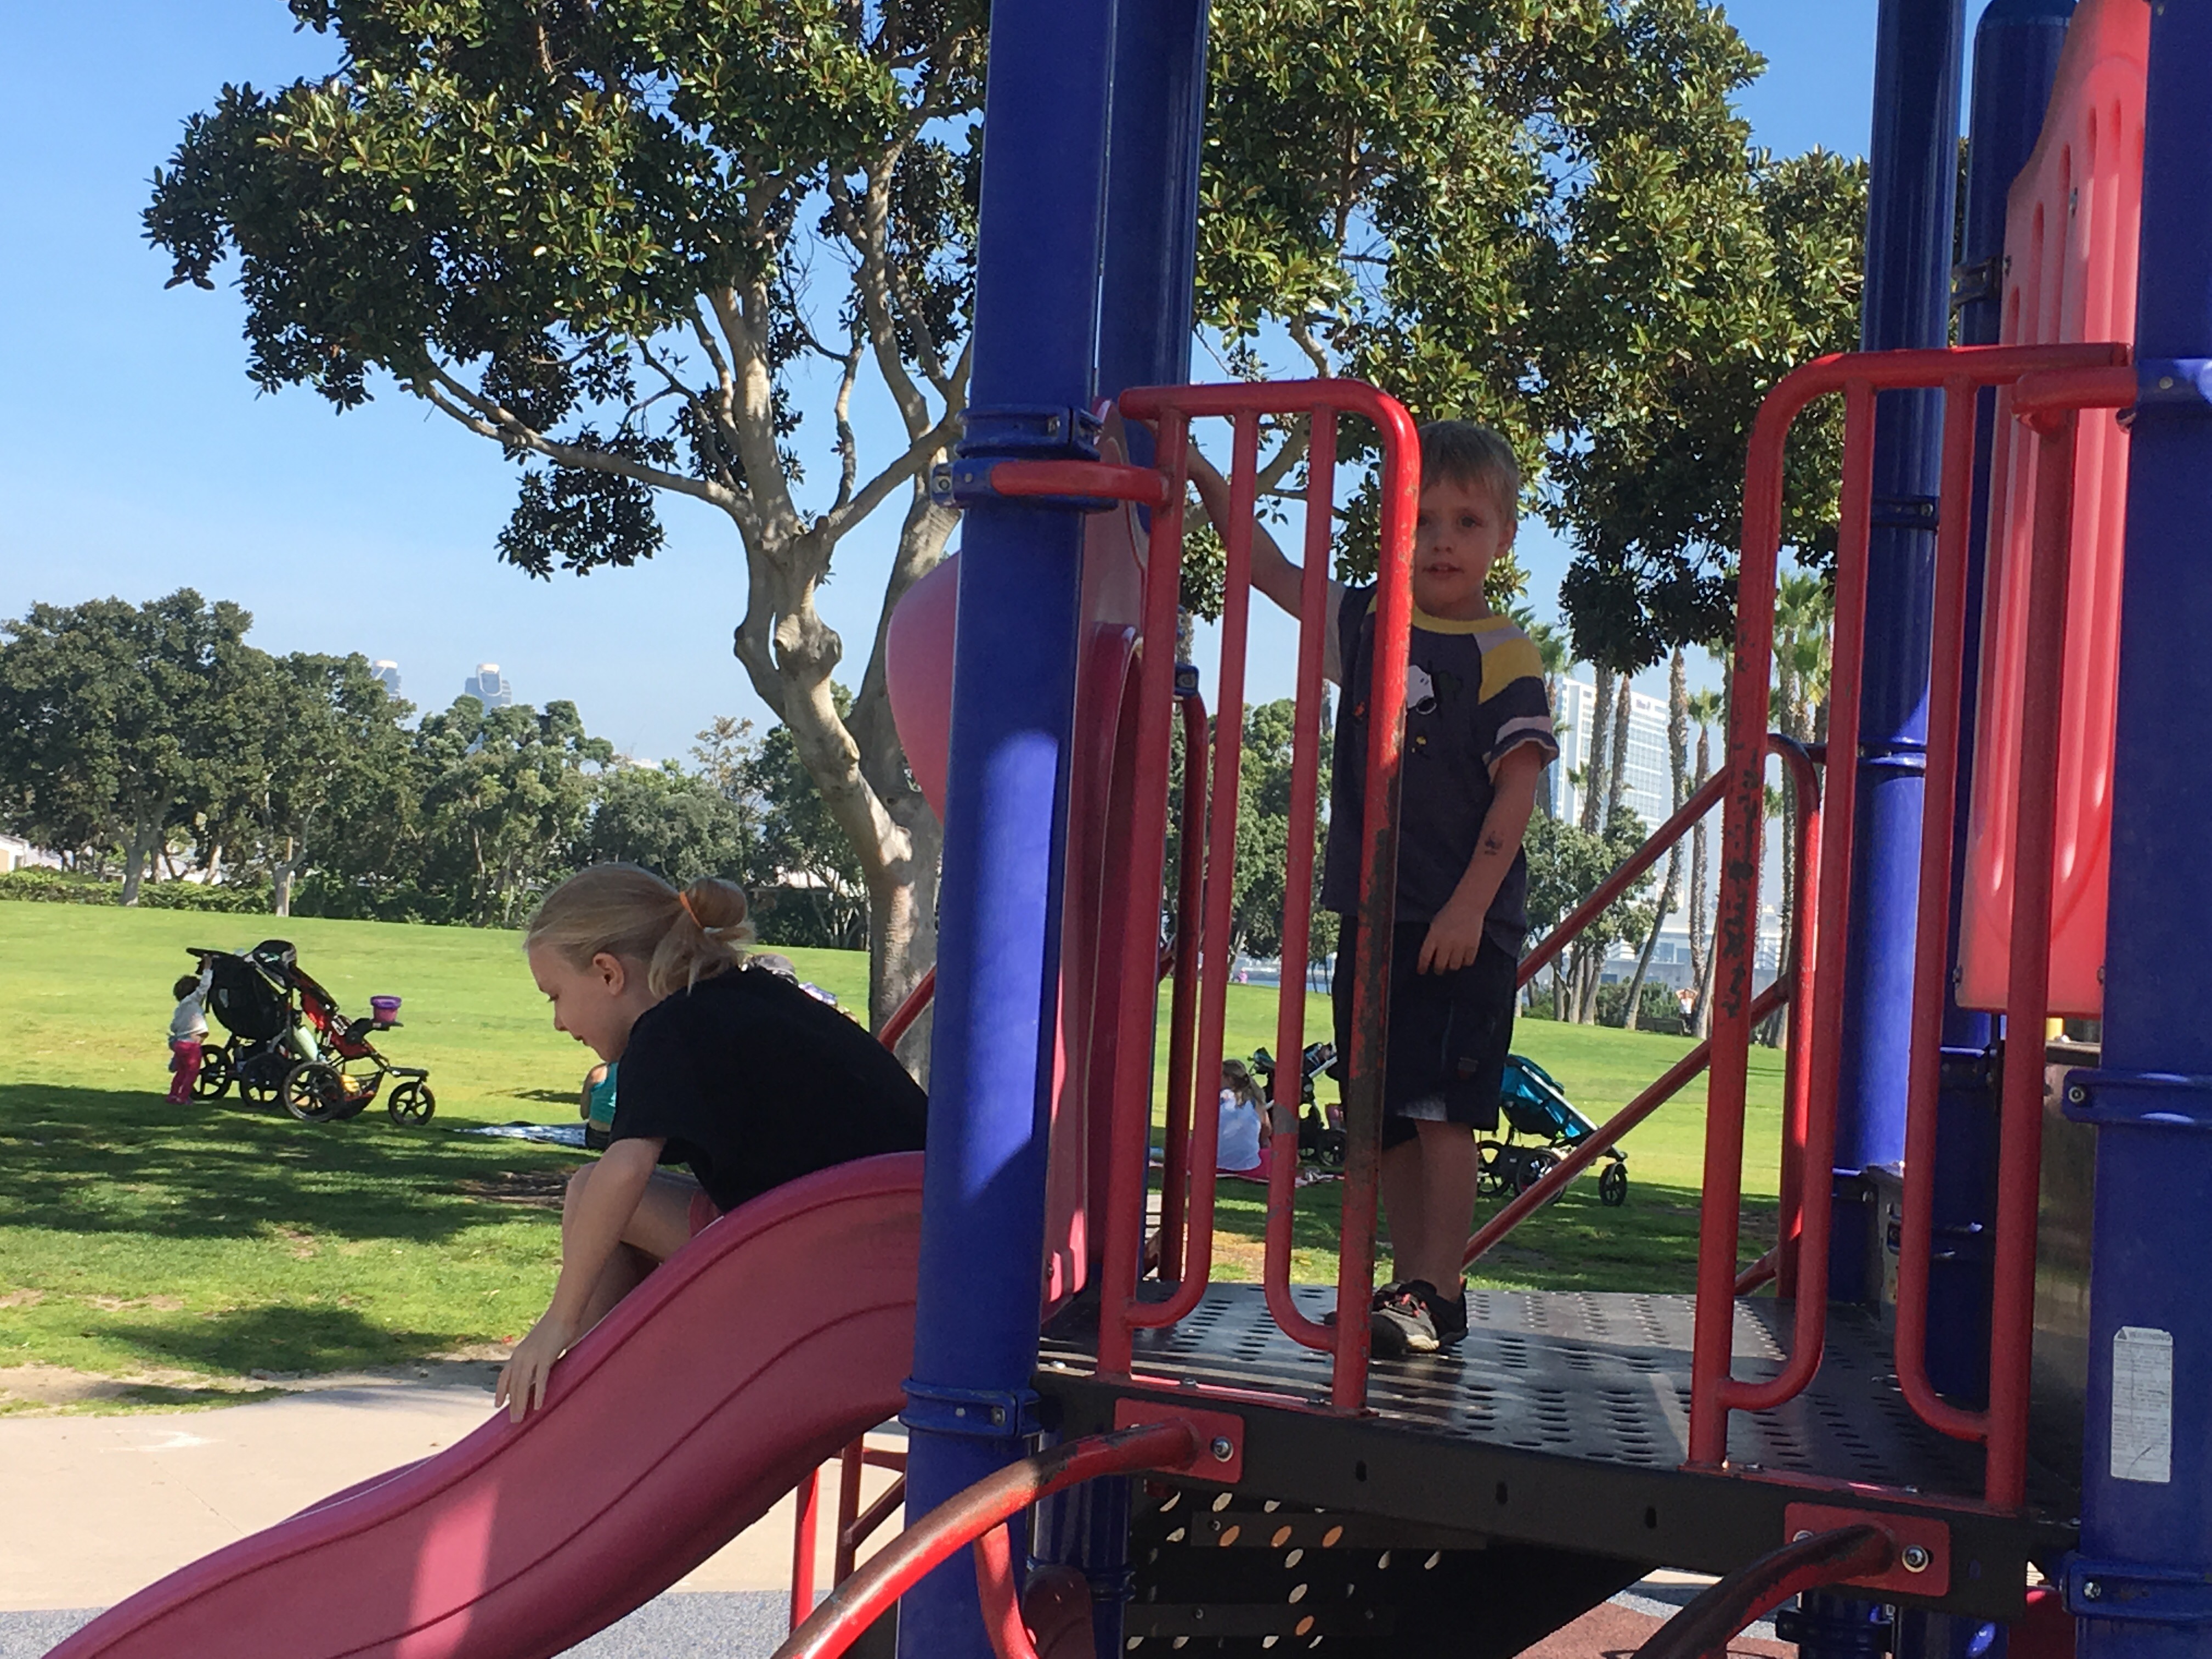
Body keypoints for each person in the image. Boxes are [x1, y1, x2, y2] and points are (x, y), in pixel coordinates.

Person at [1188, 421, 1557, 1356]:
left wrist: (1471, 904)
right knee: (1382, 1115)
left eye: (1466, 521)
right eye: (1421, 520)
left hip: (1462, 922)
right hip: (1374, 914)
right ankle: (1410, 1283)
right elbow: (1268, 569)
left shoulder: (1502, 651)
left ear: (1503, 536)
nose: (1442, 541)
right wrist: (1196, 468)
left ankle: (1442, 1285)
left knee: (1444, 1113)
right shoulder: (1368, 628)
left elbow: (1517, 789)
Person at [496, 864, 928, 1420]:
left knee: (591, 1192)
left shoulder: (669, 1028)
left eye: (554, 996)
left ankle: (582, 1401)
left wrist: (557, 1320)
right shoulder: (748, 999)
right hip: (910, 1254)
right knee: (596, 1193)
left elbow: (625, 1169)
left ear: (608, 973)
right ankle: (596, 1389)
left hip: (848, 1276)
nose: (558, 1022)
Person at [166, 967, 212, 1104]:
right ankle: (184, 1097)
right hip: (192, 1046)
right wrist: (208, 969)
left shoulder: (181, 1008)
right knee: (191, 1073)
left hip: (180, 1044)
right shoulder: (193, 1001)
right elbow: (204, 986)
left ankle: (173, 1095)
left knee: (181, 1072)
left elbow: (174, 1026)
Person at [1216, 1059, 1268, 1176]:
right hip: (1249, 1165)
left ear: (1229, 1079)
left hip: (1214, 1162)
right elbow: (1267, 1129)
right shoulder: (1255, 1100)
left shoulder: (1218, 1098)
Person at [579, 1059, 617, 1152]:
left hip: (595, 1137)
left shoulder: (597, 1072)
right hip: (621, 1138)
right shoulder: (636, 1073)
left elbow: (584, 1113)